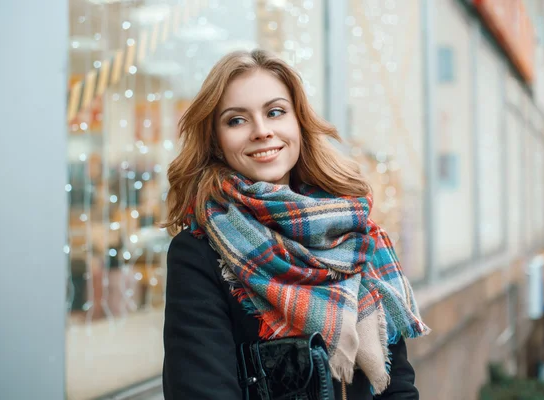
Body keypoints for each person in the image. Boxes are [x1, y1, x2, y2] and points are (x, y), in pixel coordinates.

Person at [161, 49, 429, 400]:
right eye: (236, 120)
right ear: (216, 142)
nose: (261, 131)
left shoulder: (354, 235)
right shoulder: (197, 252)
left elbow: (398, 388)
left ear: (298, 123)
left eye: (275, 112)